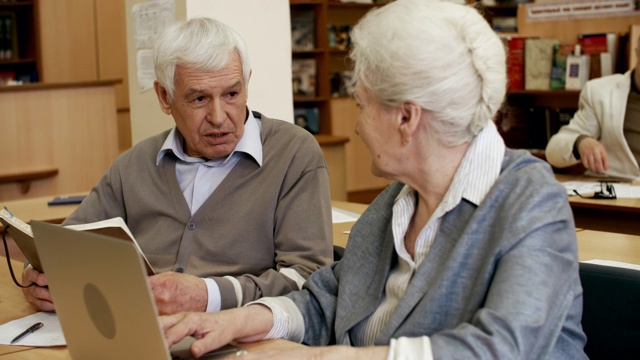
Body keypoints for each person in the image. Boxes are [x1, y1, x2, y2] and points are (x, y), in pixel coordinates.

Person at [159, 0, 588, 358]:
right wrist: (239, 319)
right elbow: (325, 299)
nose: (359, 126)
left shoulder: (531, 200)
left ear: (406, 118)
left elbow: (505, 349)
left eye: (363, 105)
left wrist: (323, 358)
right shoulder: (396, 203)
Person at [21, 17, 333, 315]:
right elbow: (65, 244)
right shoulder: (135, 165)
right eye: (199, 99)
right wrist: (38, 277)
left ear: (246, 85)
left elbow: (309, 278)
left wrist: (206, 295)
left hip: (240, 336)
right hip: (138, 331)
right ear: (164, 96)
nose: (219, 116)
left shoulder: (293, 153)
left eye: (232, 94)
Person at [545, 36, 640, 180]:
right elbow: (554, 150)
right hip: (613, 193)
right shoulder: (600, 92)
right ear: (638, 53)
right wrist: (580, 142)